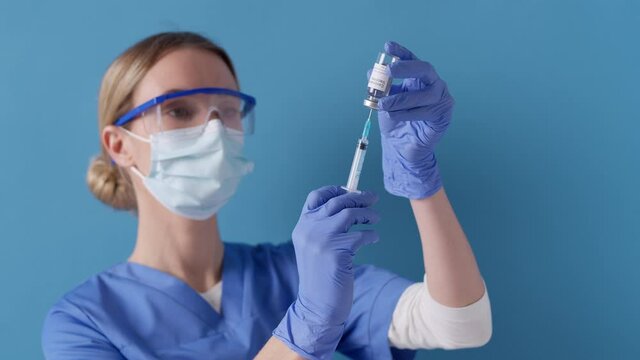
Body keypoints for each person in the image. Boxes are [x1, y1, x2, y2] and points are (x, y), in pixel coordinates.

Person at [41, 32, 492, 360]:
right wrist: (308, 323)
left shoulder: (299, 273)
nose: (215, 130)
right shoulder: (83, 324)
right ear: (118, 144)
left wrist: (421, 180)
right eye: (179, 110)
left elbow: (461, 325)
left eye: (230, 110)